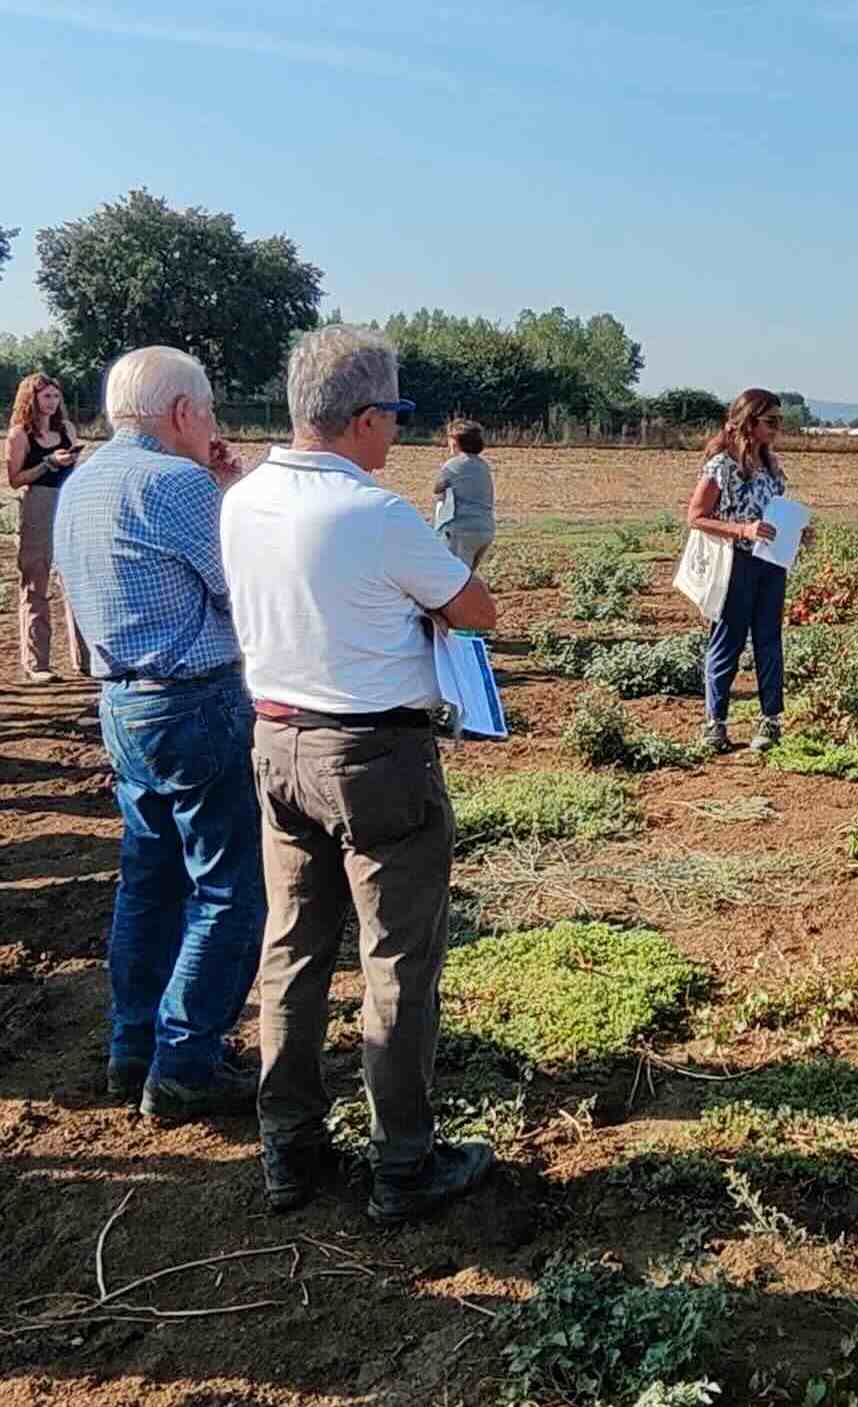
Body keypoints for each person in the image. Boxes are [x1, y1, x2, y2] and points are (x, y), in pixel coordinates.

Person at [221, 325, 500, 1223]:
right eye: (392, 418)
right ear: (364, 418)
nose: (396, 438)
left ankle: (288, 1150)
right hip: (377, 759)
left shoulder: (243, 499)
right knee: (396, 962)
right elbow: (476, 608)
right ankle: (404, 1164)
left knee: (293, 953)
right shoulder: (375, 515)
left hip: (277, 746)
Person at [49, 348, 265, 1120]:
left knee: (148, 880)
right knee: (230, 887)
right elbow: (243, 585)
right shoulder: (175, 485)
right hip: (194, 703)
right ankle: (187, 1060)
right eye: (207, 410)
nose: (213, 425)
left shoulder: (84, 480)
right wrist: (230, 492)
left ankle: (131, 1044)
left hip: (123, 704)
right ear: (180, 413)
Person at [683, 388, 814, 755]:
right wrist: (743, 530)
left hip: (771, 563)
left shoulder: (773, 468)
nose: (777, 428)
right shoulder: (721, 466)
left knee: (769, 642)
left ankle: (770, 721)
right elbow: (696, 517)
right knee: (728, 641)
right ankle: (715, 723)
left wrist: (797, 533)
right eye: (771, 421)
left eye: (779, 422)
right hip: (735, 564)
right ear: (749, 422)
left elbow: (773, 513)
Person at [7, 373, 91, 683]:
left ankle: (85, 659)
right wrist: (47, 465)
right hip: (37, 506)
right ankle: (37, 663)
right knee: (36, 582)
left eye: (56, 397)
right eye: (46, 397)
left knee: (76, 580)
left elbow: (75, 471)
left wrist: (68, 462)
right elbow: (15, 479)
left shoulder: (67, 429)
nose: (52, 403)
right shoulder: (19, 436)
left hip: (68, 503)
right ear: (31, 399)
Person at [432, 419, 496, 569]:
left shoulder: (453, 464)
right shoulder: (483, 465)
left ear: (455, 442)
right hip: (485, 529)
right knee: (467, 578)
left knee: (454, 578)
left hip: (462, 529)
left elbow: (437, 487)